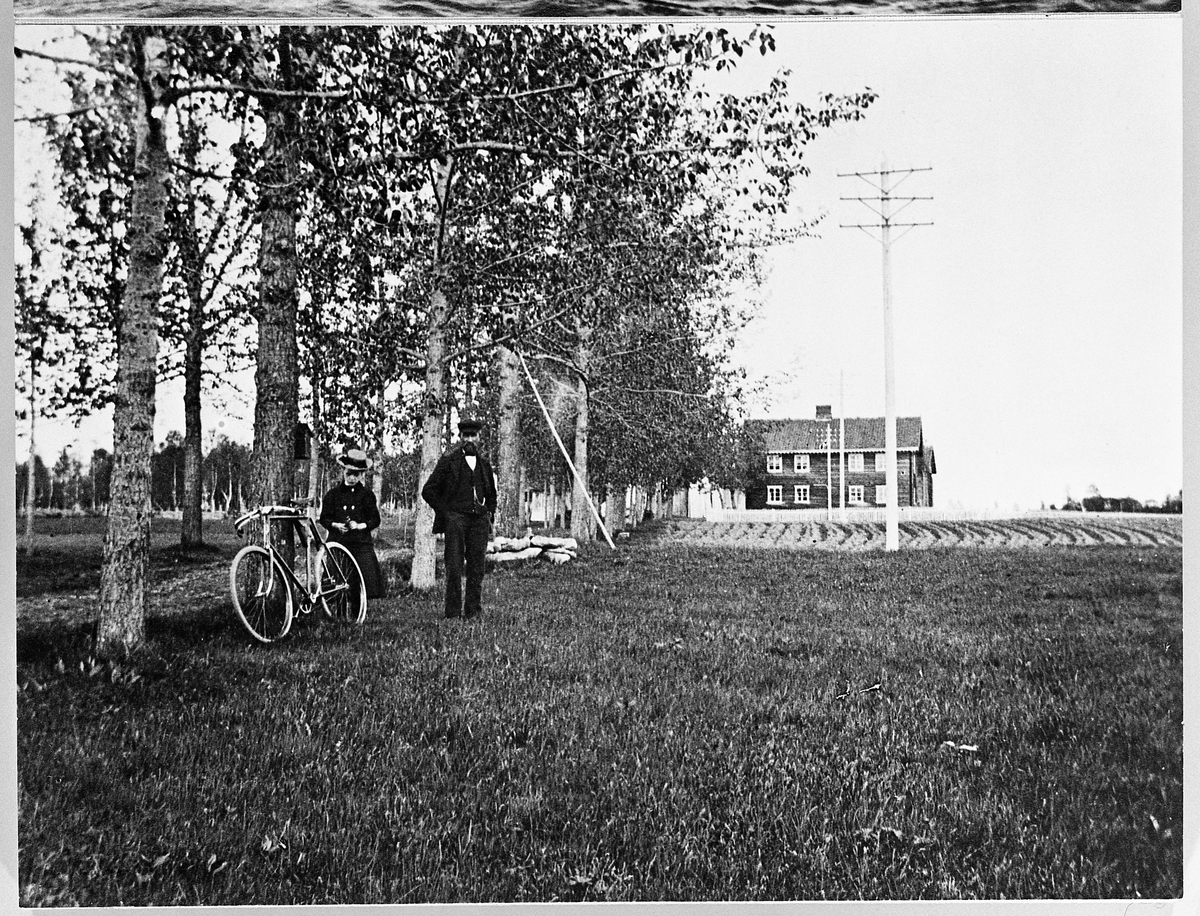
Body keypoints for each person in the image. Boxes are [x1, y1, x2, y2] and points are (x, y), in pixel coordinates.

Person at [420, 417, 497, 619]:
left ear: (479, 438)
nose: (469, 439)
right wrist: (446, 513)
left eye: (473, 435)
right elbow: (428, 491)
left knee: (476, 568)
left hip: (479, 522)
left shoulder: (485, 465)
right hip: (455, 521)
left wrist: (489, 513)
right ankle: (453, 614)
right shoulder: (448, 462)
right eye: (466, 436)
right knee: (454, 567)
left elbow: (493, 496)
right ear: (460, 437)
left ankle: (473, 612)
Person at [319, 446, 387, 600]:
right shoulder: (333, 494)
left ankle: (358, 612)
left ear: (361, 474)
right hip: (338, 542)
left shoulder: (367, 495)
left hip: (360, 543)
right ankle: (338, 614)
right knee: (336, 581)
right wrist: (335, 525)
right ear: (343, 471)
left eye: (356, 475)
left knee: (361, 580)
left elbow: (375, 519)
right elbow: (324, 518)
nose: (351, 478)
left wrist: (360, 526)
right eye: (349, 474)